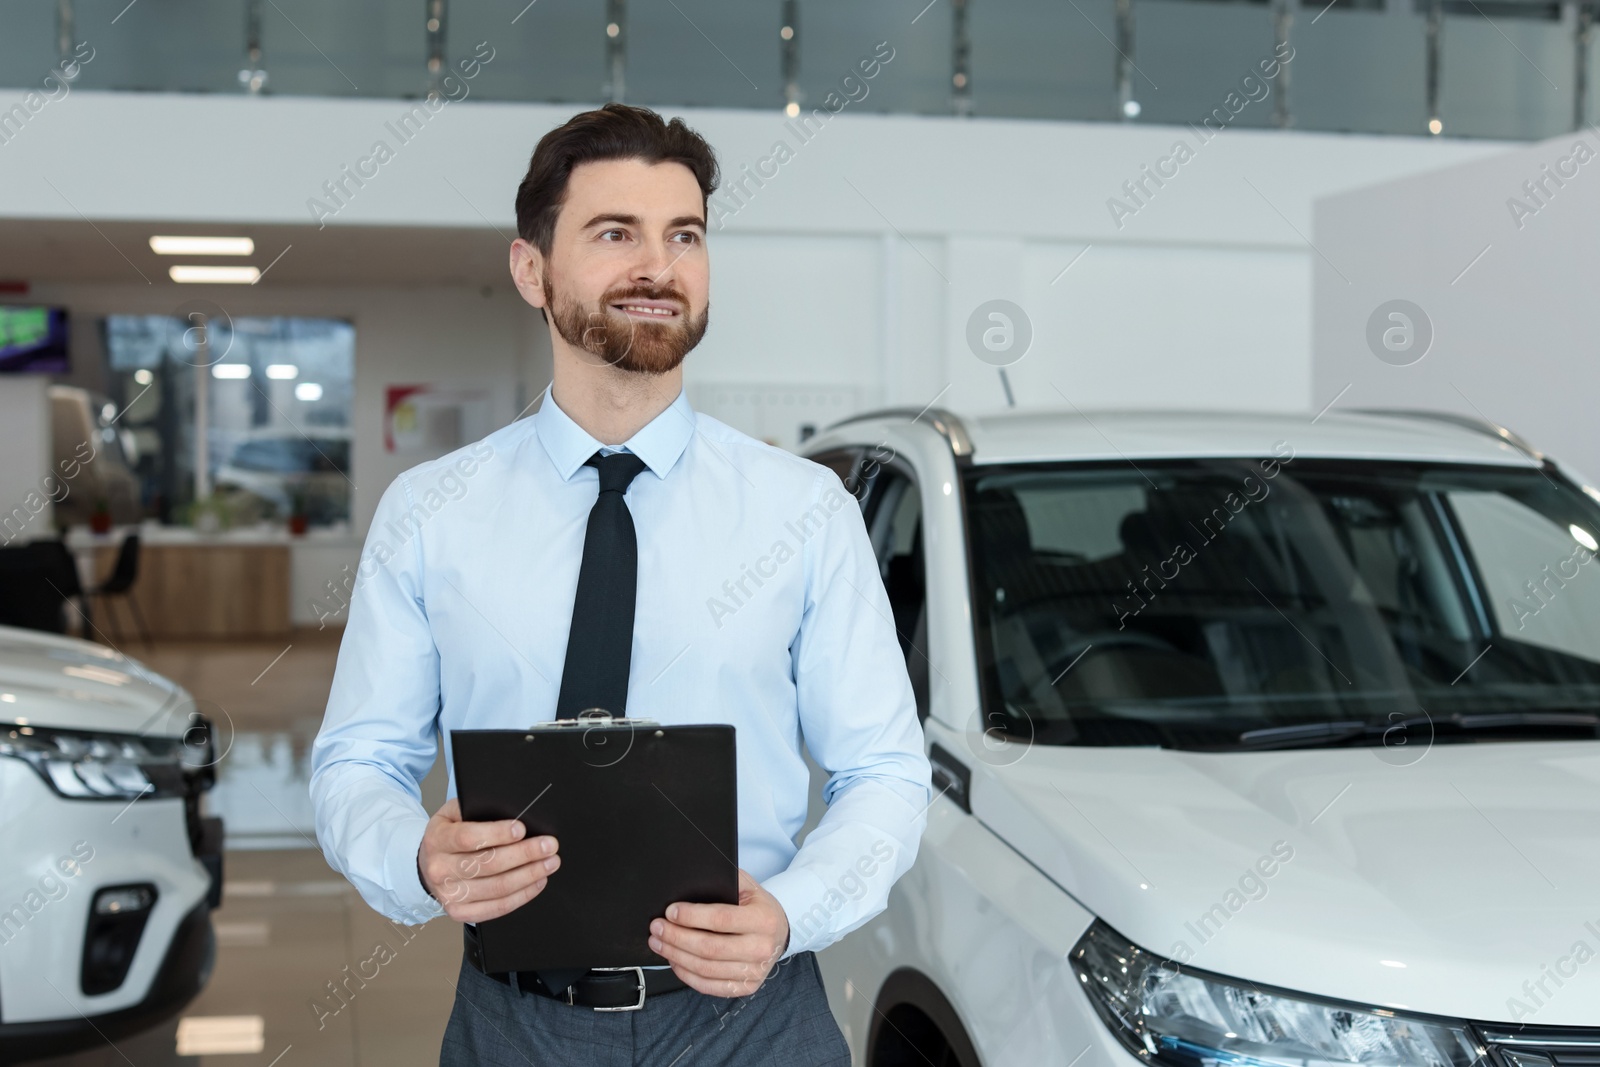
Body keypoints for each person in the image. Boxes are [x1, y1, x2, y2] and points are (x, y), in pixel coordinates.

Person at [310, 102, 932, 1066]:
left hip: (752, 1019)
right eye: (615, 233)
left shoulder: (804, 510)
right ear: (532, 270)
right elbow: (357, 760)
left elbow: (884, 772)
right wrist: (417, 859)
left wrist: (793, 912)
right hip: (514, 1019)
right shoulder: (432, 510)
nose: (660, 266)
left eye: (684, 236)